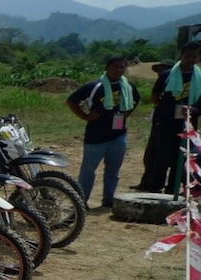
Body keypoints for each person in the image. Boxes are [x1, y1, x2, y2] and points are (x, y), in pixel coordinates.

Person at [65, 55, 141, 207]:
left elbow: (136, 99)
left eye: (122, 67)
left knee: (113, 171)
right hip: (96, 137)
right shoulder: (95, 86)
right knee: (88, 171)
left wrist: (126, 114)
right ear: (107, 68)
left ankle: (108, 200)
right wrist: (85, 116)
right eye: (115, 67)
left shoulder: (128, 86)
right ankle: (81, 201)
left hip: (119, 135)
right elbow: (71, 100)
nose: (119, 70)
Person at [137, 42, 201, 194]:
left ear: (198, 58)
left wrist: (193, 110)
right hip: (166, 124)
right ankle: (154, 187)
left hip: (188, 125)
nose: (190, 59)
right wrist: (166, 109)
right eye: (187, 55)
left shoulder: (199, 78)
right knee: (161, 155)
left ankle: (173, 188)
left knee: (182, 157)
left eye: (194, 56)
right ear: (181, 55)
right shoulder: (167, 75)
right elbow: (154, 96)